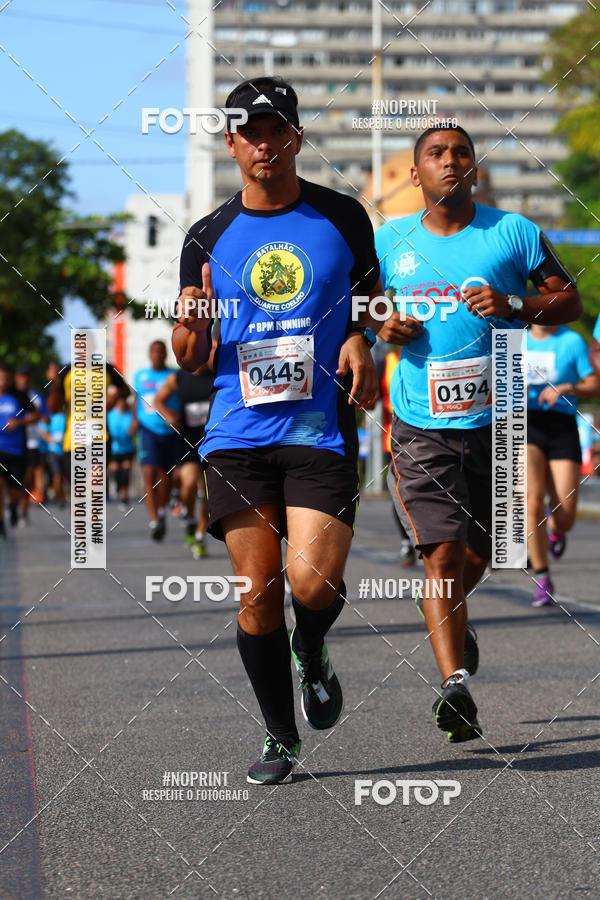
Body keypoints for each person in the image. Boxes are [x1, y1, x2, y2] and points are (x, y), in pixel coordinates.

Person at [172, 75, 416, 785]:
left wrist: (363, 337)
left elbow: (373, 303)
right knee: (257, 592)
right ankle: (281, 736)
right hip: (236, 433)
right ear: (231, 144)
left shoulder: (342, 216)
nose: (265, 145)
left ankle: (311, 647)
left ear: (298, 138)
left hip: (319, 430)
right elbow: (190, 358)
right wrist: (190, 323)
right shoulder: (206, 236)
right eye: (250, 133)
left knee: (311, 585)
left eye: (277, 131)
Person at [375, 124, 582, 743]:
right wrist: (383, 324)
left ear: (475, 168)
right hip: (421, 424)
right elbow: (360, 309)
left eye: (461, 153)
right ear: (417, 173)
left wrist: (515, 306)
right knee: (442, 554)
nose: (450, 161)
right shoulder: (388, 240)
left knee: (482, 555)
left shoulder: (514, 232)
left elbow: (568, 302)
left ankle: (442, 606)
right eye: (436, 153)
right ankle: (455, 684)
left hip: (502, 419)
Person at [526, 324, 600, 606]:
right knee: (531, 501)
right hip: (524, 423)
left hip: (561, 426)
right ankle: (542, 577)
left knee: (566, 516)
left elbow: (595, 383)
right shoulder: (514, 338)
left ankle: (555, 527)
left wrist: (569, 387)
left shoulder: (571, 341)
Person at [154, 367, 214, 557]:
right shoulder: (178, 377)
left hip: (213, 438)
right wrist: (168, 415)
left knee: (209, 491)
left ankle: (200, 536)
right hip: (188, 439)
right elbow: (158, 400)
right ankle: (190, 520)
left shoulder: (218, 372)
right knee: (188, 485)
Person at [132, 340, 183, 541]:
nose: (157, 355)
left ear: (165, 354)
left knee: (167, 477)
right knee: (149, 473)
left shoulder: (173, 375)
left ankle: (161, 510)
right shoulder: (140, 375)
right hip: (147, 429)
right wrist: (134, 421)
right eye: (154, 351)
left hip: (169, 430)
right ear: (149, 354)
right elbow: (136, 400)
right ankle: (154, 520)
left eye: (161, 352)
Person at [0, 363, 40, 537]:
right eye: (0, 378)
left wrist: (20, 422)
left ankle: (13, 507)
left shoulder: (19, 396)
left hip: (17, 451)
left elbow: (36, 415)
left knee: (15, 492)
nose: (3, 382)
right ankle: (1, 523)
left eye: (6, 379)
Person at [14, 365, 49, 519]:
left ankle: (32, 501)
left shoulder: (37, 396)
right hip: (14, 442)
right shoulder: (10, 395)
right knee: (19, 477)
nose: (24, 380)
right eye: (21, 376)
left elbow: (46, 416)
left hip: (33, 441)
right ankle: (16, 503)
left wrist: (40, 419)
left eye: (26, 377)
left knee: (34, 471)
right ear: (16, 378)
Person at [107, 395, 136, 511]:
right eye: (120, 401)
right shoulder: (110, 415)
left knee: (125, 473)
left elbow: (133, 428)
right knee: (116, 472)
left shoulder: (130, 415)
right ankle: (117, 486)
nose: (122, 403)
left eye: (123, 401)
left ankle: (124, 497)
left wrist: (132, 430)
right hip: (114, 449)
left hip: (128, 448)